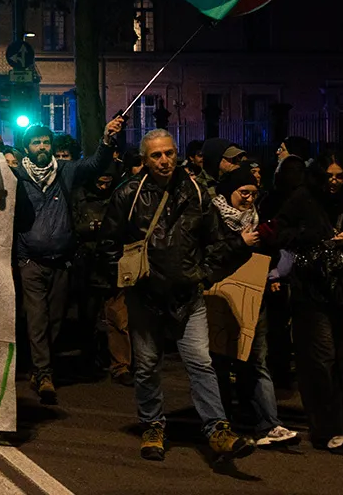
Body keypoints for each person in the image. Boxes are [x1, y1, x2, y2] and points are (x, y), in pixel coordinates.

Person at [101, 129, 257, 462]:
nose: (164, 160)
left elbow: (215, 242)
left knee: (201, 363)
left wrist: (203, 276)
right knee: (145, 367)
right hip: (144, 296)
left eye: (169, 153)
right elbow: (108, 242)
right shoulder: (128, 194)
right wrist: (126, 276)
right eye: (156, 155)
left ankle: (217, 429)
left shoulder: (197, 193)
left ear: (177, 154)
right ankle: (152, 426)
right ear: (145, 160)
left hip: (187, 296)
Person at [11, 116, 125, 404]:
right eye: (35, 142)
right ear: (26, 148)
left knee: (56, 320)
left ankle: (41, 365)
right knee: (37, 318)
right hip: (31, 262)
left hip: (61, 262)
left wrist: (107, 138)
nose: (42, 147)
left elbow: (95, 165)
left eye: (46, 142)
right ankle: (44, 372)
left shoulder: (64, 171)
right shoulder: (16, 176)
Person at [277, 150, 343, 453]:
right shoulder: (302, 199)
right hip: (312, 290)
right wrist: (311, 236)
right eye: (329, 176)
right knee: (320, 360)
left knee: (342, 362)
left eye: (339, 176)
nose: (334, 182)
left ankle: (339, 423)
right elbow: (281, 231)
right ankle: (327, 427)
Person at [210, 168, 299, 448]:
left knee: (256, 358)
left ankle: (269, 424)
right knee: (220, 360)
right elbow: (211, 251)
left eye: (253, 194)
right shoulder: (213, 216)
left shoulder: (258, 219)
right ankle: (222, 423)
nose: (248, 199)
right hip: (220, 296)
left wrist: (271, 273)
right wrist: (241, 242)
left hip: (253, 297)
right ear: (230, 193)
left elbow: (270, 252)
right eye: (243, 193)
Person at [72, 162, 131, 385]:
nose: (104, 183)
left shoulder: (120, 195)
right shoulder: (80, 195)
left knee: (119, 318)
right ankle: (89, 359)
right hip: (88, 264)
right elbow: (76, 225)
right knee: (88, 318)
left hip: (114, 263)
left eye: (108, 179)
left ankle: (121, 364)